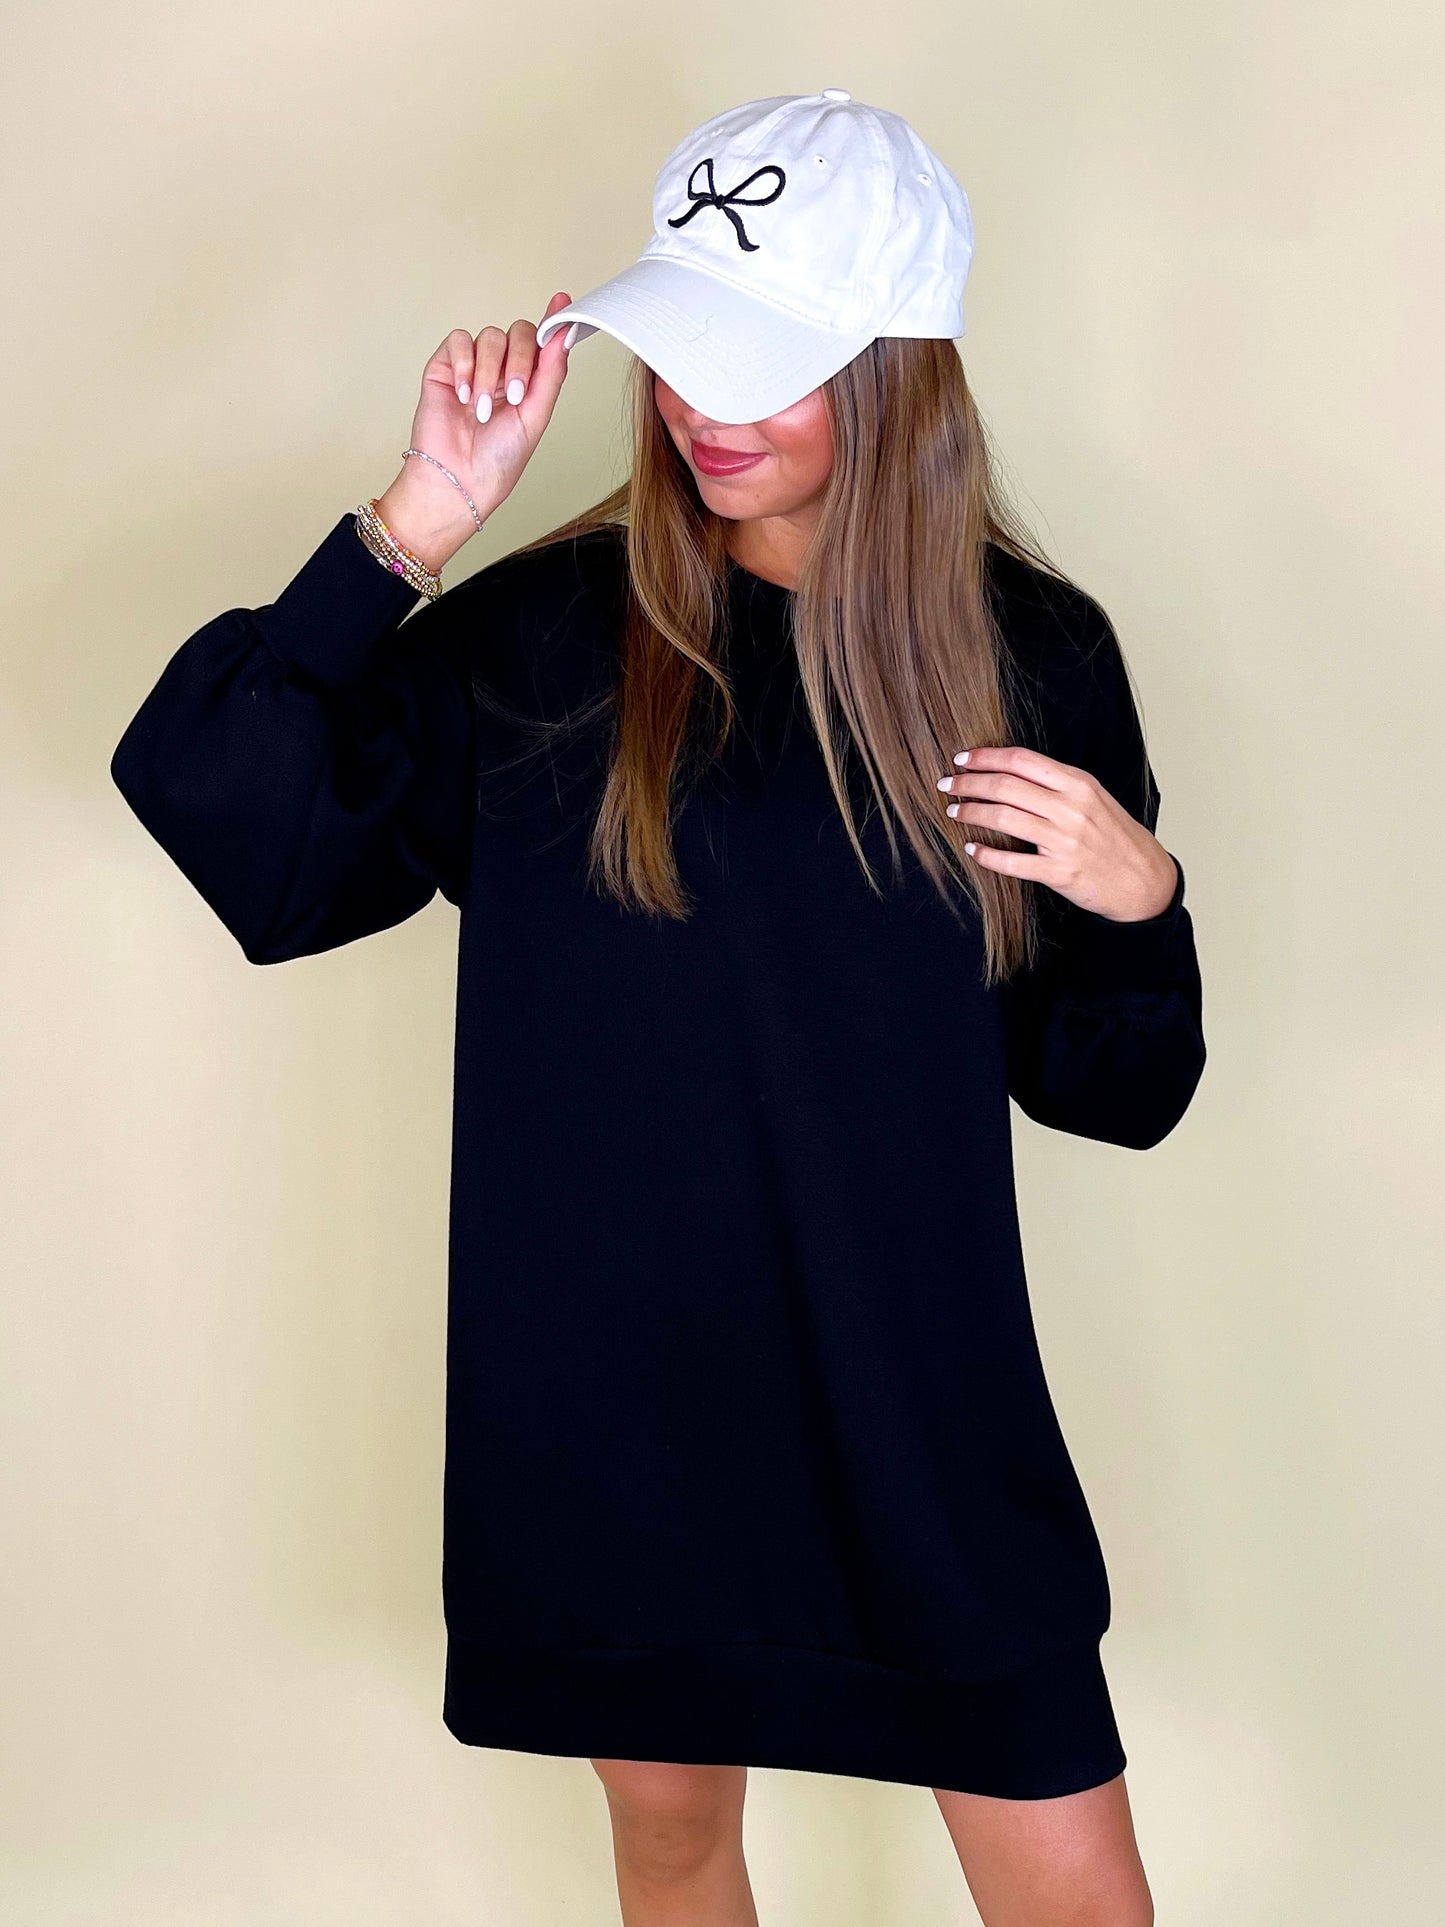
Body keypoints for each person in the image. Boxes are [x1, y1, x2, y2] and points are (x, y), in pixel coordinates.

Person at [111, 88, 1204, 1927]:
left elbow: (1115, 1090)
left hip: (911, 1405)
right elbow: (249, 837)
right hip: (616, 1408)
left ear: (896, 375)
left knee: (1075, 1891)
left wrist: (1138, 899)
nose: (702, 409)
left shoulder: (1032, 659)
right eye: (682, 349)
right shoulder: (537, 641)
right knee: (674, 1845)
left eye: (761, 365)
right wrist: (410, 527)